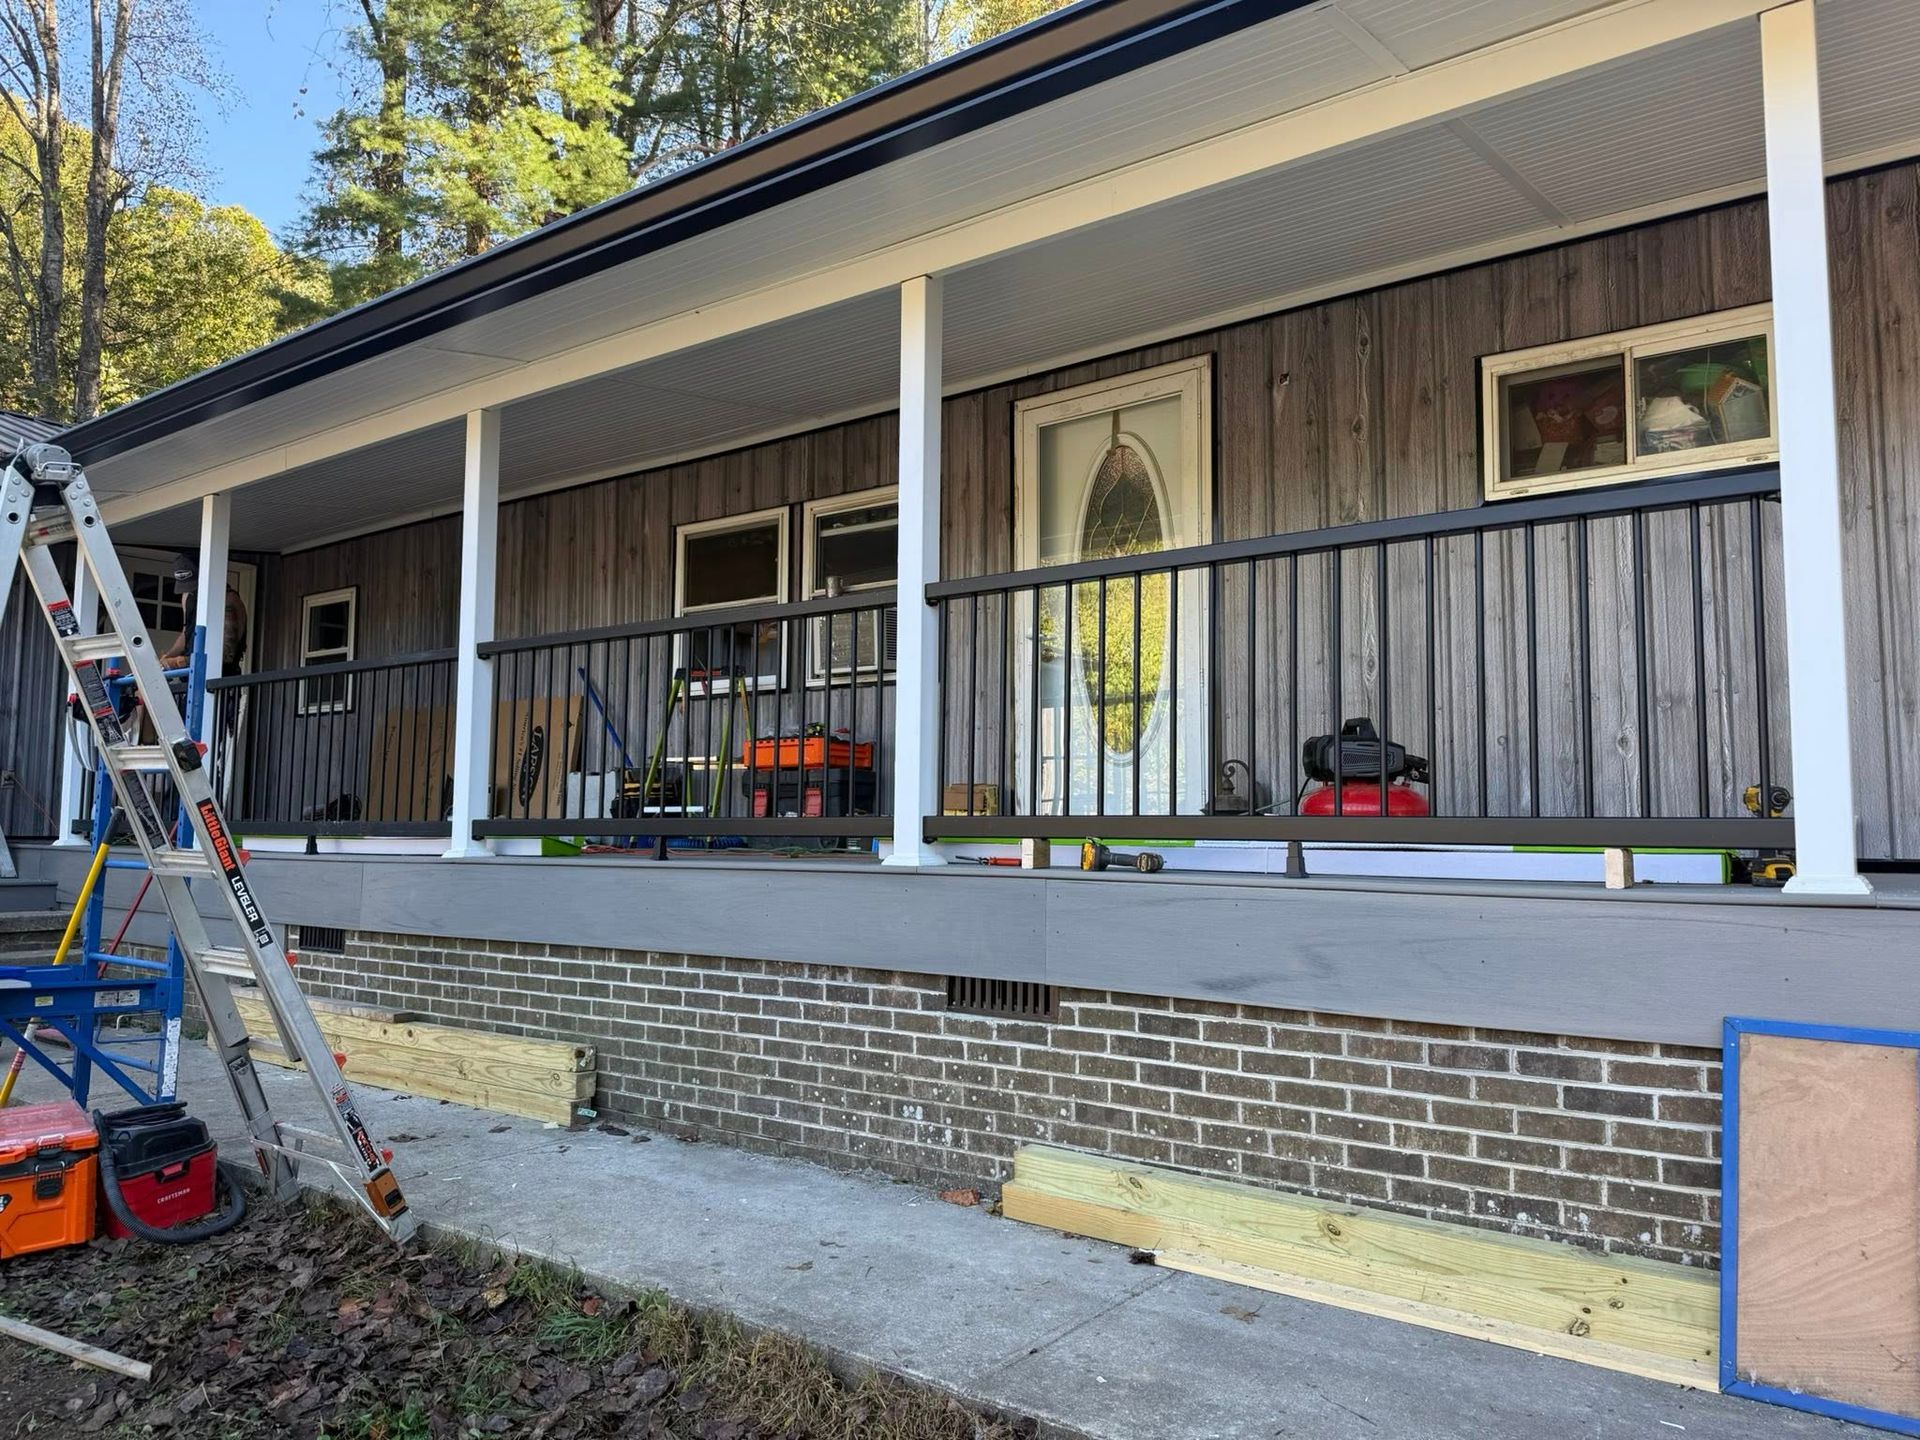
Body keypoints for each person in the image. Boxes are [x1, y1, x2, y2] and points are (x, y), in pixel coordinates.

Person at [159, 552, 248, 674]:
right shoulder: (188, 596)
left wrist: (178, 662)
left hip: (219, 679)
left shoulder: (228, 600)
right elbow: (186, 634)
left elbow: (226, 654)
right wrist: (166, 659)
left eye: (194, 586)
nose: (191, 591)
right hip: (189, 675)